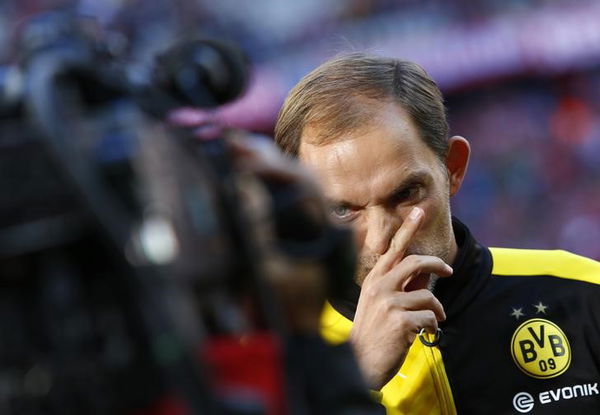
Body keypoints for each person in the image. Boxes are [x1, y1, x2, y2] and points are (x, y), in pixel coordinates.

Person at [273, 53, 600, 414]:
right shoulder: (279, 355)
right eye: (342, 210)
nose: (382, 239)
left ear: (453, 168)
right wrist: (354, 380)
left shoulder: (583, 291)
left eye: (406, 193)